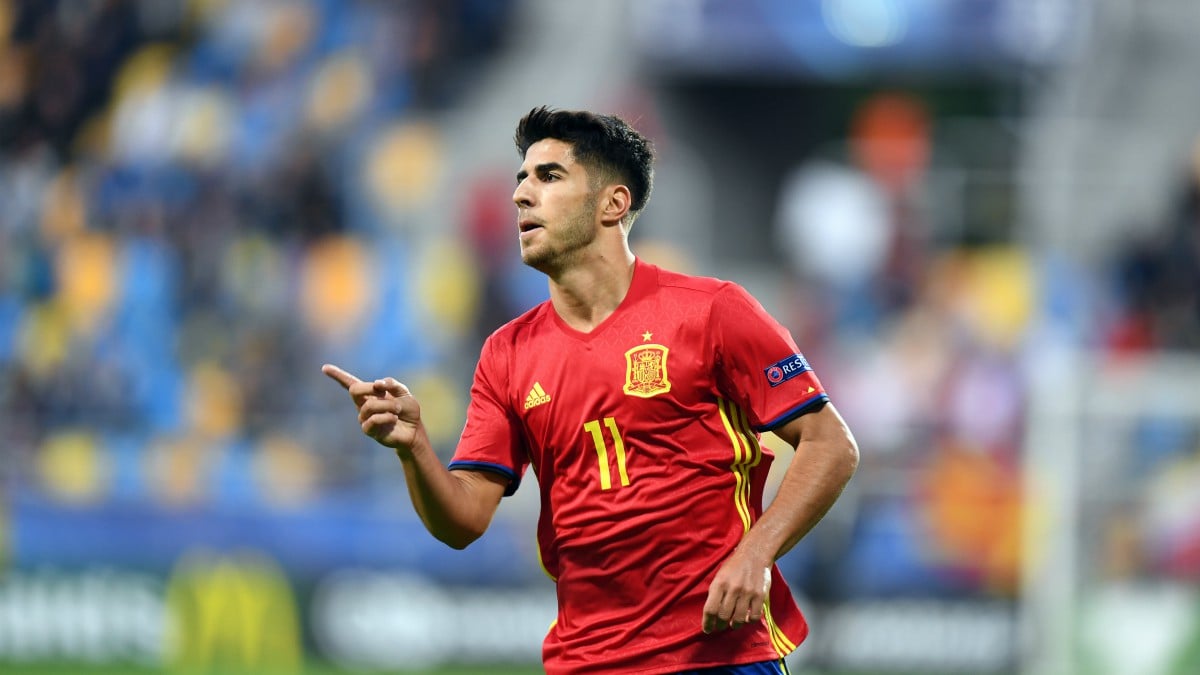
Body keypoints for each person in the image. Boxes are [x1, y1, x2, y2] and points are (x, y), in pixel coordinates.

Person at [323, 106, 859, 675]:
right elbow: (463, 521)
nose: (521, 196)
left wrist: (757, 553)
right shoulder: (506, 354)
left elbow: (832, 445)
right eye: (521, 179)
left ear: (613, 203)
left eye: (548, 176)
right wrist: (414, 448)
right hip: (586, 661)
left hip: (718, 653)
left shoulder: (712, 312)